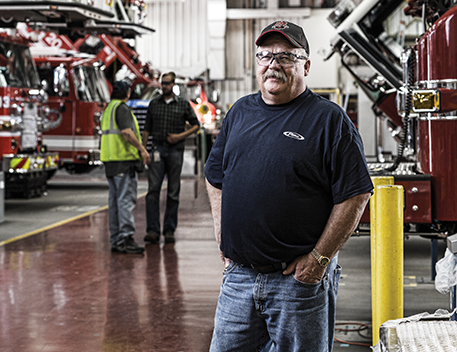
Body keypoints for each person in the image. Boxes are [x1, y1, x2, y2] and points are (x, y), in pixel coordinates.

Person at [204, 21, 373, 351]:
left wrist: (319, 260)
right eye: (265, 55)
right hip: (238, 278)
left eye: (285, 57)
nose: (273, 64)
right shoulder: (239, 112)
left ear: (306, 65)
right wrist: (222, 234)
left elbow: (355, 194)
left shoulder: (328, 120)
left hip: (297, 283)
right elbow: (215, 178)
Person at [142, 72, 200, 244]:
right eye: (162, 83)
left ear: (173, 84)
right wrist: (145, 150)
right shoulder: (154, 104)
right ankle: (152, 230)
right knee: (153, 191)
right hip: (157, 150)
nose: (164, 86)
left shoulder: (182, 104)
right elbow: (147, 129)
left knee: (173, 192)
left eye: (167, 83)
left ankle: (169, 230)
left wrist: (179, 136)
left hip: (175, 151)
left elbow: (196, 125)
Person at [101, 81, 151, 254]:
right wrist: (143, 150)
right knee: (125, 200)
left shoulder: (109, 109)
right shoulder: (122, 109)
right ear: (127, 94)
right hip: (123, 160)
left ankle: (116, 238)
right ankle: (126, 237)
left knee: (114, 201)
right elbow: (127, 133)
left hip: (110, 160)